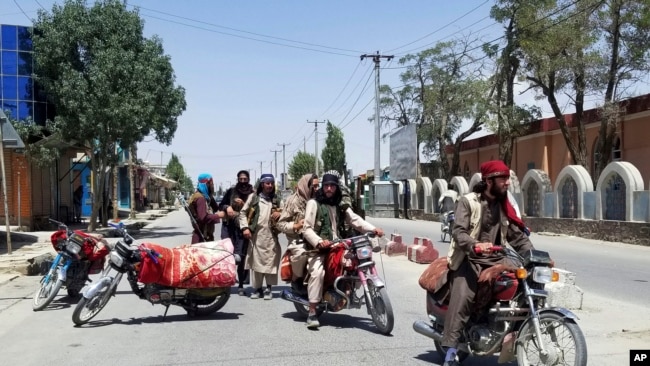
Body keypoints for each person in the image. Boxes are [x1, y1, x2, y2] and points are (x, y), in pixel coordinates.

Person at [441, 160, 533, 366]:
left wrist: (535, 257)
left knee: (526, 281)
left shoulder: (503, 206)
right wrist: (474, 245)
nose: (507, 183)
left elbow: (517, 237)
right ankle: (451, 351)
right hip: (469, 258)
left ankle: (513, 334)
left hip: (497, 259)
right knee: (463, 296)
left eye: (507, 179)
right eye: (503, 179)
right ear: (489, 181)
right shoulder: (468, 202)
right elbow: (458, 231)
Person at [302, 172, 384, 329]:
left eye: (332, 186)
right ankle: (312, 311)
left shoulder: (339, 204)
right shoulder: (314, 203)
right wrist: (319, 242)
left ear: (336, 188)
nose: (329, 189)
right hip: (319, 248)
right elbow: (307, 229)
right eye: (326, 185)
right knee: (317, 272)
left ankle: (347, 290)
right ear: (322, 187)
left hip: (338, 245)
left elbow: (354, 219)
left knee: (354, 262)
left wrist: (373, 229)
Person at [238, 174, 282, 300]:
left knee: (271, 262)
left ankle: (269, 288)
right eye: (267, 183)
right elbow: (242, 213)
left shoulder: (276, 199)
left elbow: (285, 212)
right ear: (262, 184)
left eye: (271, 183)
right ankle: (257, 289)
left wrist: (280, 212)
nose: (269, 185)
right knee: (256, 263)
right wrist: (245, 228)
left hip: (271, 236)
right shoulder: (254, 197)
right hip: (256, 236)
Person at [275, 174, 318, 293]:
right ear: (306, 186)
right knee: (302, 253)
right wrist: (296, 225)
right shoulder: (293, 201)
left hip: (316, 237)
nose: (316, 189)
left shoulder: (317, 200)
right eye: (313, 186)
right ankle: (296, 279)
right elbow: (280, 224)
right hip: (297, 240)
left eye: (317, 186)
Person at [220, 170, 255, 295]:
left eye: (245, 179)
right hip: (229, 228)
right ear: (238, 179)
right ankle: (226, 281)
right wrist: (227, 207)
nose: (243, 181)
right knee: (227, 254)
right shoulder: (231, 191)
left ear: (248, 179)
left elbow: (255, 210)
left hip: (243, 229)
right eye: (241, 179)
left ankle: (241, 284)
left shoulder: (253, 193)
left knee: (241, 256)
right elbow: (222, 204)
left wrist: (244, 204)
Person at [188, 173, 224, 244]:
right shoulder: (200, 198)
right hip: (201, 238)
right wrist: (218, 215)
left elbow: (216, 207)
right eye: (211, 183)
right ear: (206, 184)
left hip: (206, 236)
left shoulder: (206, 197)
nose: (212, 186)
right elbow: (203, 218)